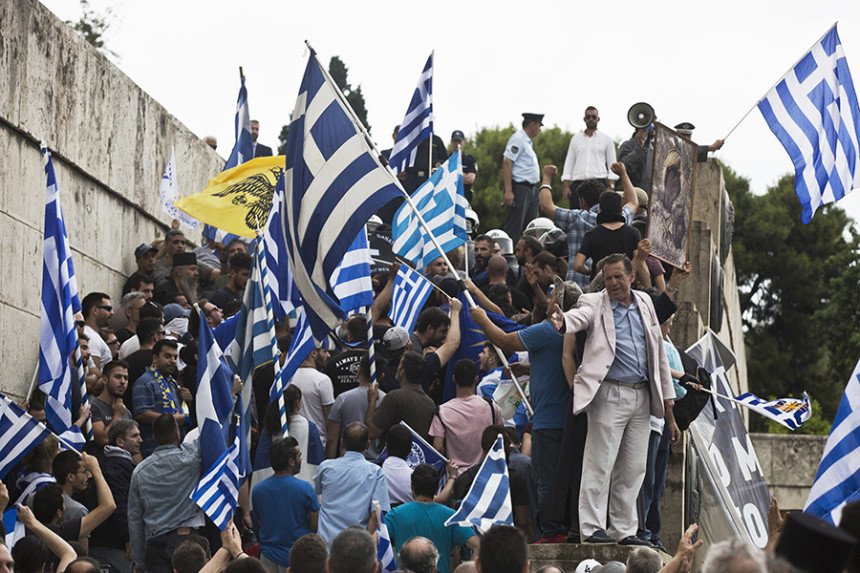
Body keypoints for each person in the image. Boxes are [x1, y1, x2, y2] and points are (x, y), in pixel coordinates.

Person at [551, 253, 679, 545]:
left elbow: (658, 352)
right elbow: (578, 317)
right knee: (599, 463)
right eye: (608, 278)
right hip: (609, 392)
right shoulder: (593, 301)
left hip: (643, 394)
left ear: (632, 277)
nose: (613, 283)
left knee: (634, 467)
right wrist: (563, 321)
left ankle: (624, 530)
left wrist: (668, 402)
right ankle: (592, 528)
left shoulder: (646, 302)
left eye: (618, 277)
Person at [539, 163, 637, 288]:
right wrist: (623, 174)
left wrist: (547, 177)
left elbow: (545, 206)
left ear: (583, 202)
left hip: (578, 288)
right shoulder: (622, 218)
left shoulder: (576, 218)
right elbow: (633, 202)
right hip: (613, 287)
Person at [128, 414, 204, 573]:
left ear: (154, 437)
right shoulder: (192, 457)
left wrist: (140, 561)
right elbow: (213, 431)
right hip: (188, 541)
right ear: (178, 434)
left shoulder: (139, 472)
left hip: (156, 545)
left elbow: (135, 520)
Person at [385, 465, 479, 573]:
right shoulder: (451, 516)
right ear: (437, 487)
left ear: (412, 485)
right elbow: (478, 546)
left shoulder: (395, 514)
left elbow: (376, 541)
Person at [313, 423, 389, 547]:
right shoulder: (376, 473)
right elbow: (376, 517)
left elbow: (318, 491)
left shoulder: (325, 467)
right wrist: (364, 547)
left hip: (326, 546)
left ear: (342, 443)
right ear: (368, 445)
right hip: (356, 549)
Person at [252, 437, 319, 573]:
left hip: (267, 558)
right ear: (291, 462)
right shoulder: (305, 489)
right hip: (297, 560)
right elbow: (315, 524)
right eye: (299, 456)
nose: (301, 460)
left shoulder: (257, 490)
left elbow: (260, 522)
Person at [429, 359, 503, 471]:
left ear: (453, 379)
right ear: (476, 379)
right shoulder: (491, 405)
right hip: (484, 474)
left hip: (455, 478)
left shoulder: (441, 411)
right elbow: (501, 436)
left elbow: (438, 447)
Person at [89, 419, 143, 573]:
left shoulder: (114, 462)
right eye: (134, 436)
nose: (140, 440)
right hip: (112, 543)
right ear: (119, 441)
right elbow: (119, 503)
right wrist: (128, 538)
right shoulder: (117, 465)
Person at [33, 453, 116, 551]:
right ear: (71, 477)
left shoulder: (33, 497)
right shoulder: (78, 511)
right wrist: (96, 469)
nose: (88, 476)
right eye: (84, 471)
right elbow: (83, 554)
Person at [132, 339, 190, 458]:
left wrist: (188, 401)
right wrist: (171, 420)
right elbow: (141, 413)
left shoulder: (173, 383)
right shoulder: (144, 382)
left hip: (177, 447)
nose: (173, 361)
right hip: (154, 450)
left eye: (175, 357)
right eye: (168, 356)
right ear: (155, 358)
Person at [574, 191, 642, 282]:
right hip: (625, 286)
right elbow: (640, 261)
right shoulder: (633, 233)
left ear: (600, 210)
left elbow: (578, 265)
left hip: (600, 287)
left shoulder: (592, 235)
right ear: (621, 211)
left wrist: (592, 272)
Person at [326, 354, 385, 460]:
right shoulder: (386, 400)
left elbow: (331, 439)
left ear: (358, 371)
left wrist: (330, 463)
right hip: (374, 463)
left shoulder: (343, 399)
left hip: (345, 462)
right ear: (381, 376)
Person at [561, 106, 618, 208]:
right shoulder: (576, 139)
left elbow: (612, 164)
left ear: (598, 119)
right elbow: (569, 163)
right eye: (588, 117)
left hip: (599, 184)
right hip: (578, 184)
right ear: (584, 119)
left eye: (593, 117)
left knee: (599, 216)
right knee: (576, 216)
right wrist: (566, 186)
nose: (591, 119)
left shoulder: (606, 139)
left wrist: (611, 186)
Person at [503, 113, 543, 241]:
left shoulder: (527, 141)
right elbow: (507, 162)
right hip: (520, 188)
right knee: (514, 228)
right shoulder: (518, 138)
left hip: (531, 189)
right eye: (539, 125)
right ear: (532, 124)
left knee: (531, 230)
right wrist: (508, 191)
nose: (540, 129)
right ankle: (507, 259)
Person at [291, 344, 334, 448]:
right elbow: (330, 419)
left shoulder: (287, 378)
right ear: (313, 353)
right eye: (325, 351)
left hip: (291, 441)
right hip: (317, 444)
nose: (328, 355)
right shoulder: (322, 380)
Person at [90, 360, 134, 448]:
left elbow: (133, 447)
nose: (123, 381)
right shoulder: (94, 407)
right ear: (105, 379)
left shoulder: (126, 412)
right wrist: (117, 416)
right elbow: (103, 439)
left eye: (126, 378)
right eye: (118, 377)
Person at [82, 292, 114, 371]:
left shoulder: (93, 335)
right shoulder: (90, 337)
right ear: (95, 310)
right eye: (108, 308)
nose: (112, 313)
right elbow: (94, 375)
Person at [449, 130, 478, 203]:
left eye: (459, 141)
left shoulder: (470, 160)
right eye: (455, 141)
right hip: (448, 201)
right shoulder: (445, 160)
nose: (457, 144)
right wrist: (463, 174)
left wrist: (450, 177)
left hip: (464, 201)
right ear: (451, 142)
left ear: (464, 142)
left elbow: (470, 179)